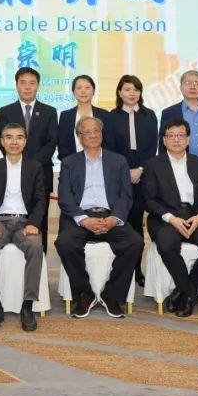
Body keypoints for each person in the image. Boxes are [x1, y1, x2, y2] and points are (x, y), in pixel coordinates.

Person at [55, 116, 142, 319]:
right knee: (65, 243)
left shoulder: (118, 161)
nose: (93, 135)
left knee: (135, 242)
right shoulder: (69, 163)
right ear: (79, 137)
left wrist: (114, 219)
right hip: (81, 217)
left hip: (110, 216)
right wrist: (84, 220)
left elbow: (125, 196)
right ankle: (83, 294)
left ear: (102, 135)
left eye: (96, 131)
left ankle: (113, 295)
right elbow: (65, 198)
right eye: (87, 132)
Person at [142, 119, 198, 317]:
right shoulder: (153, 165)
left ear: (188, 139)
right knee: (168, 245)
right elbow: (149, 200)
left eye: (181, 135)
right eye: (171, 136)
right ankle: (189, 293)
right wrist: (171, 218)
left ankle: (186, 291)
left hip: (194, 217)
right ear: (164, 140)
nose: (176, 140)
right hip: (165, 218)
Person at [0, 123, 47, 332]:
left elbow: (40, 199)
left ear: (25, 141)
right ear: (2, 141)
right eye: (9, 137)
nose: (14, 142)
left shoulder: (35, 167)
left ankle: (28, 305)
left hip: (25, 223)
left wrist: (34, 223)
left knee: (35, 246)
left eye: (19, 137)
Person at [0, 67, 57, 252]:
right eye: (23, 83)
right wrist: (22, 164)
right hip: (12, 173)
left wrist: (31, 165)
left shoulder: (49, 111)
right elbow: (3, 141)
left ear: (38, 86)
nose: (27, 87)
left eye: (32, 83)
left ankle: (40, 262)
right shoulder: (6, 111)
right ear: (16, 85)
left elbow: (51, 143)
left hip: (41, 173)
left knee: (40, 222)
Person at [106, 74, 158, 287]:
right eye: (127, 89)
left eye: (136, 89)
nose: (132, 93)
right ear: (120, 92)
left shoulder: (149, 115)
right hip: (120, 176)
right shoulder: (111, 116)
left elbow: (153, 147)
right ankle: (121, 269)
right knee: (121, 223)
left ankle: (137, 270)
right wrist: (125, 171)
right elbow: (109, 147)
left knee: (137, 225)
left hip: (144, 177)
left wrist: (141, 169)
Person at [57, 74, 115, 161]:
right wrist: (71, 163)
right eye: (79, 88)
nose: (83, 91)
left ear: (93, 91)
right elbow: (62, 145)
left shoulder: (104, 115)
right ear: (73, 92)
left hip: (100, 163)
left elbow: (109, 143)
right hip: (72, 164)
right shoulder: (65, 116)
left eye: (87, 88)